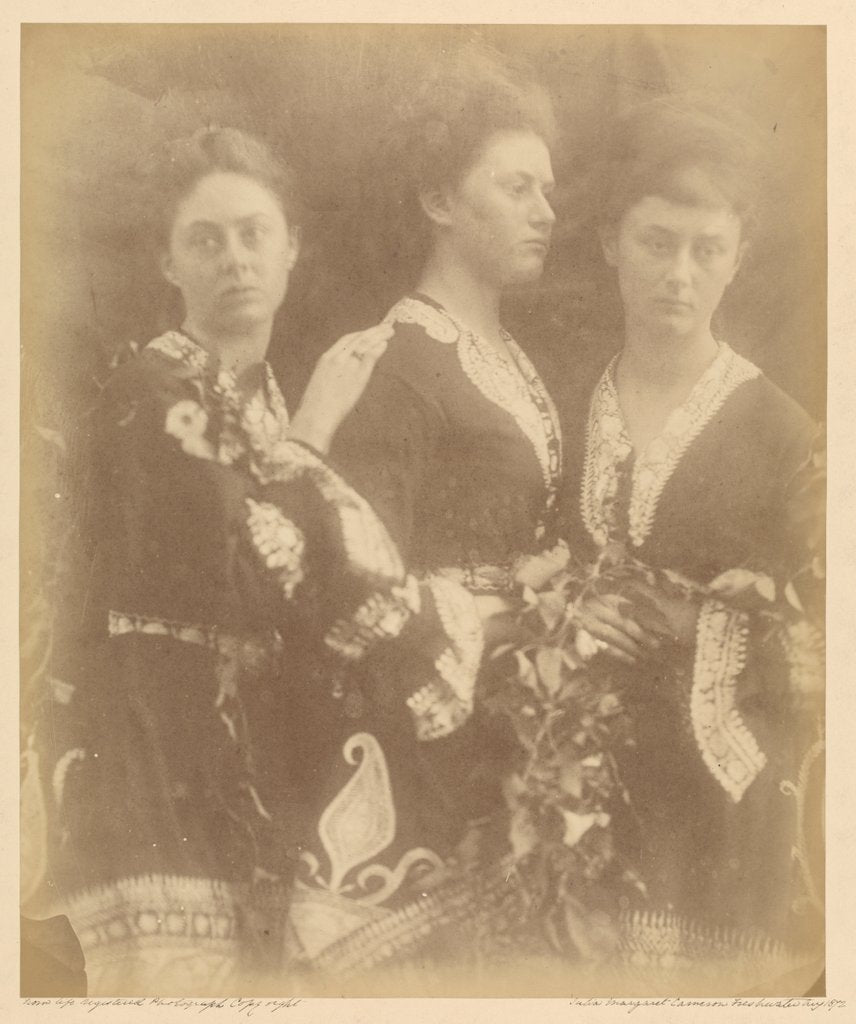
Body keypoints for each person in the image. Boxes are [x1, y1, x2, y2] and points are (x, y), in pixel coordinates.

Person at [21, 127, 484, 995]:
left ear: (292, 248)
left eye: (252, 233)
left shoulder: (257, 402)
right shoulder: (156, 393)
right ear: (168, 262)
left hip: (242, 769)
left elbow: (323, 585)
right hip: (152, 755)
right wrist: (312, 433)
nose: (234, 258)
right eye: (205, 239)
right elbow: (254, 571)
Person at [281, 47, 565, 976]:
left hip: (515, 730)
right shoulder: (392, 362)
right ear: (441, 201)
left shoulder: (516, 365)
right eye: (516, 187)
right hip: (415, 749)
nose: (545, 211)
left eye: (547, 190)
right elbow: (356, 581)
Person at [559, 98, 824, 970]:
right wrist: (563, 607)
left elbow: (828, 643)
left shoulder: (788, 436)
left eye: (707, 251)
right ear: (611, 243)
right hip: (571, 788)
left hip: (720, 810)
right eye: (657, 242)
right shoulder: (558, 406)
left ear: (737, 260)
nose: (679, 272)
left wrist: (705, 629)